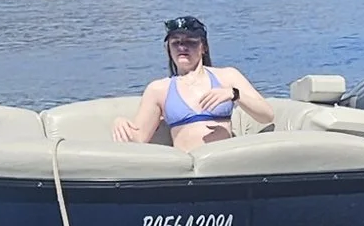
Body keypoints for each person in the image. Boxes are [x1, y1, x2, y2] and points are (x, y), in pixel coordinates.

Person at [114, 16, 280, 147]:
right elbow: (139, 139)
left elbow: (267, 115)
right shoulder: (158, 89)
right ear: (167, 49)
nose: (182, 48)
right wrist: (121, 123)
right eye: (176, 43)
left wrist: (234, 94)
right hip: (187, 172)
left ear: (203, 47)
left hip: (225, 164)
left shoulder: (227, 77)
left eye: (190, 42)